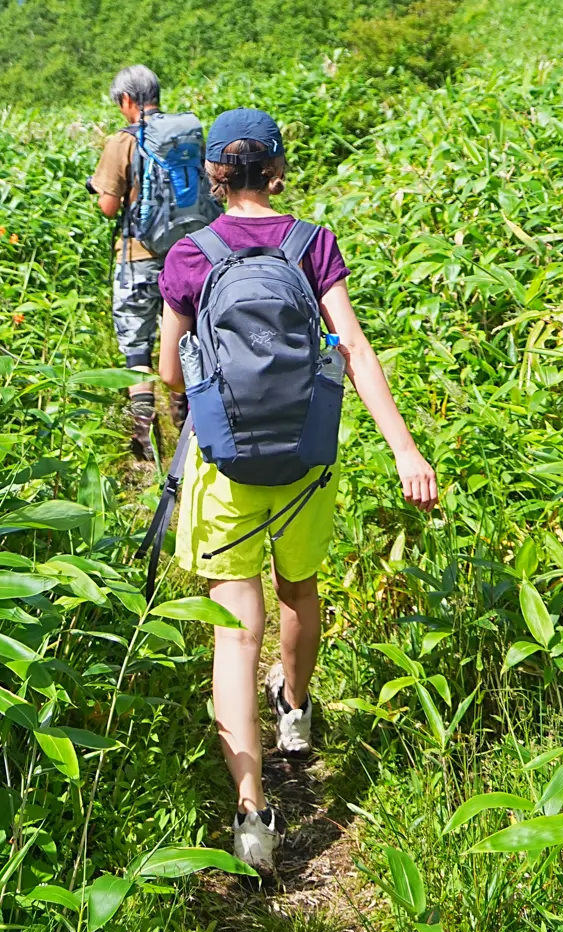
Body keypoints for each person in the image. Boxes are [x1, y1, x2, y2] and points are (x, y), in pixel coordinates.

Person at [157, 107, 438, 878]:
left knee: (232, 631)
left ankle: (251, 813)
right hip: (307, 456)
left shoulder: (188, 254)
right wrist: (404, 447)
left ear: (213, 175)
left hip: (226, 460)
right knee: (300, 587)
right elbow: (354, 350)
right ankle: (295, 713)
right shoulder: (312, 244)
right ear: (278, 169)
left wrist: (175, 418)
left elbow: (171, 372)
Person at [89, 63, 216, 460]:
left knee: (136, 350)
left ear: (127, 100)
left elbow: (108, 207)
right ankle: (191, 433)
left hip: (138, 257)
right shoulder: (187, 134)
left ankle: (145, 446)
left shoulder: (123, 141)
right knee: (187, 344)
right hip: (191, 254)